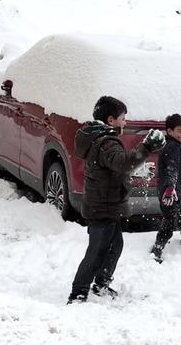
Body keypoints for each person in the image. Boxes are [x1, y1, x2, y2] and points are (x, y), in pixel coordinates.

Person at [68, 96, 166, 304]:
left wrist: (138, 168)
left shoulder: (101, 140)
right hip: (102, 207)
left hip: (105, 205)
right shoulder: (107, 142)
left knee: (114, 246)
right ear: (111, 120)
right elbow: (122, 163)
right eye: (123, 118)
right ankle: (78, 292)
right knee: (97, 251)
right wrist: (147, 147)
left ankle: (101, 284)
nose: (125, 122)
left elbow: (115, 169)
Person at [151, 114, 181, 263]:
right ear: (169, 131)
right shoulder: (171, 147)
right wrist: (170, 188)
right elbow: (171, 169)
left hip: (178, 191)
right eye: (180, 131)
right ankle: (157, 249)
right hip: (170, 192)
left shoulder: (177, 146)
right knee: (170, 221)